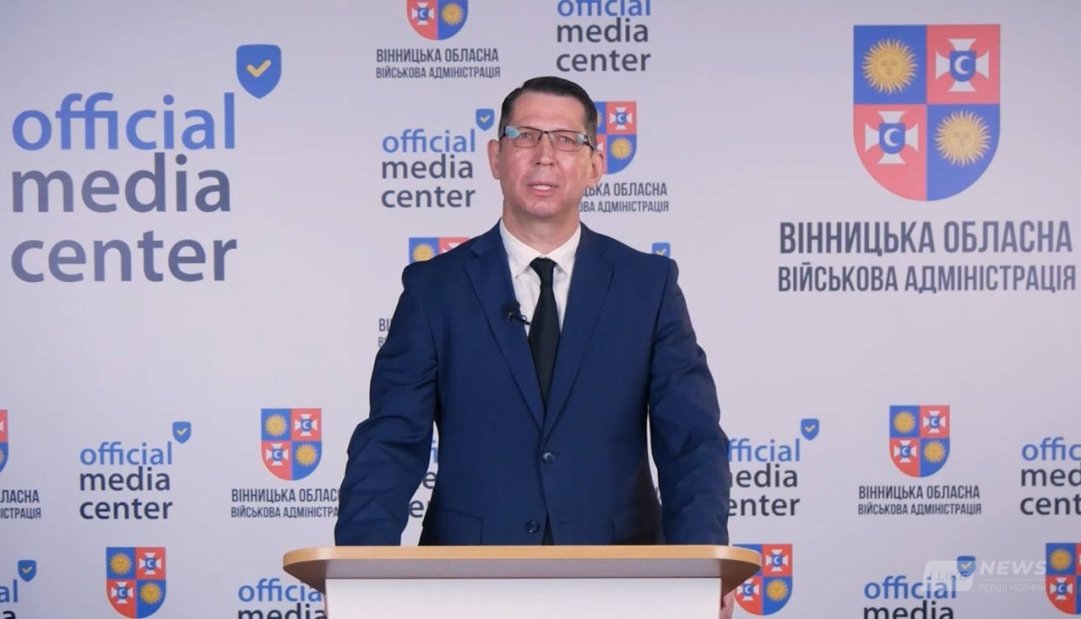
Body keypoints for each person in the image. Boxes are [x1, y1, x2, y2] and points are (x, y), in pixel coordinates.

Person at [336, 76, 731, 550]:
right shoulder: (434, 289)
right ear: (495, 158)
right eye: (524, 136)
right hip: (468, 572)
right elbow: (391, 441)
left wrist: (701, 564)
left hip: (619, 570)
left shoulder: (648, 286)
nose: (544, 155)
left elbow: (691, 440)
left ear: (595, 165)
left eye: (566, 139)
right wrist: (358, 566)